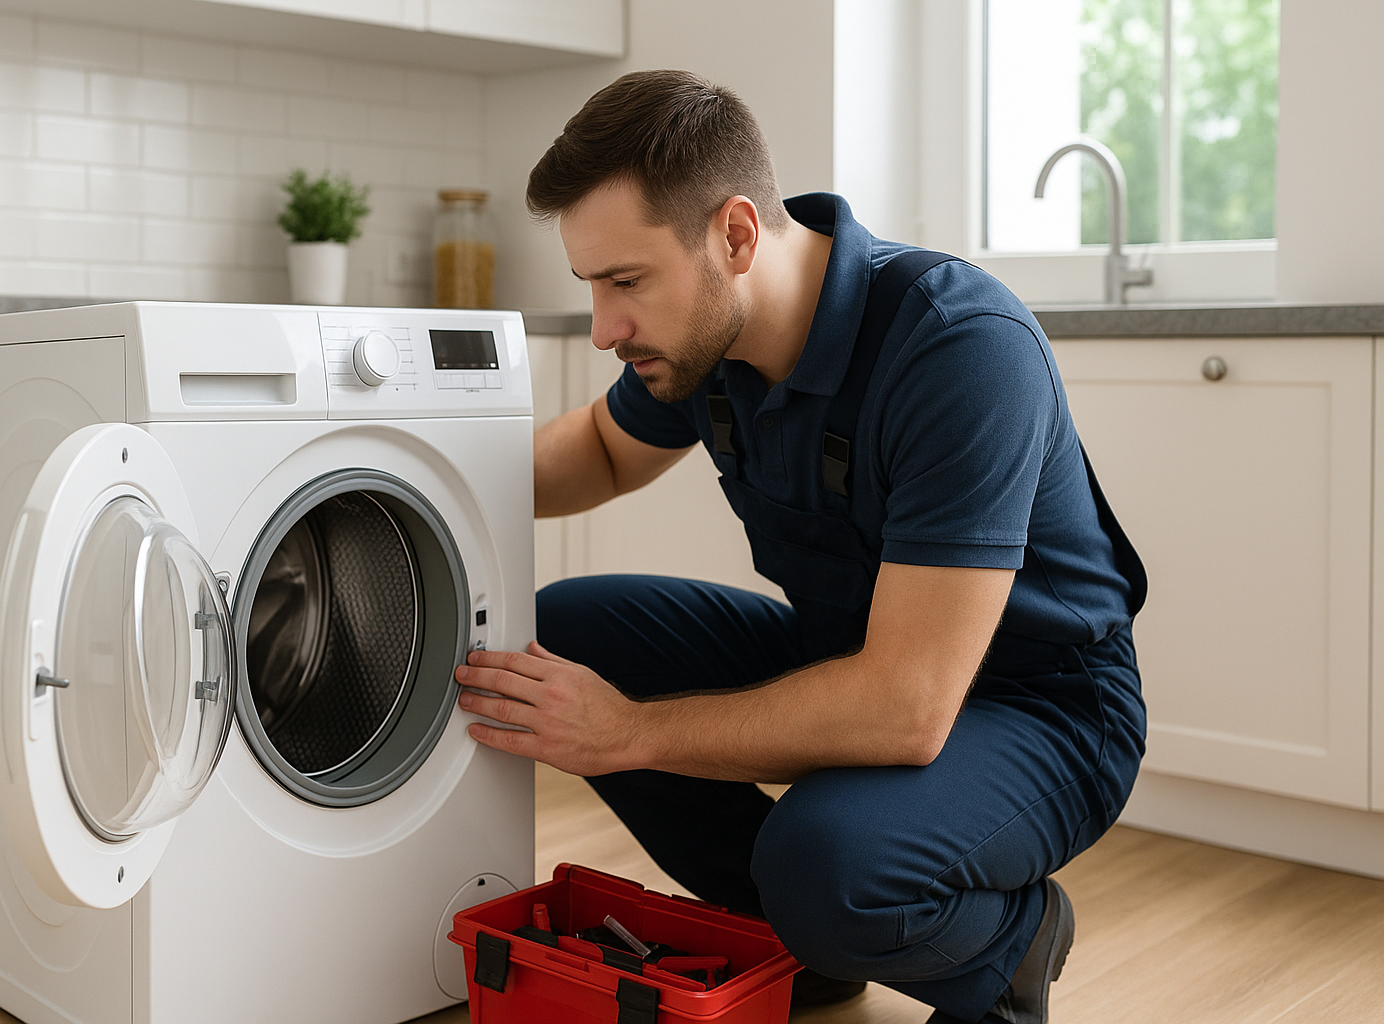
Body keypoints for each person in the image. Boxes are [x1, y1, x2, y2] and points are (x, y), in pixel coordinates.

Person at [452, 69, 1147, 1024]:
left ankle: (1005, 945)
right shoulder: (706, 341)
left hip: (1041, 706)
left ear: (736, 236)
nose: (607, 329)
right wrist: (403, 479)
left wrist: (628, 733)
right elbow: (602, 453)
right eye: (591, 287)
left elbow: (906, 708)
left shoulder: (958, 345)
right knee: (564, 634)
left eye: (626, 282)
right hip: (857, 658)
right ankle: (794, 942)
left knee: (825, 866)